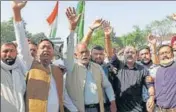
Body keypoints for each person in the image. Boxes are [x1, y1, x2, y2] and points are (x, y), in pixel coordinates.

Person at [12, 1, 78, 112]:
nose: (46, 50)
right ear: (37, 51)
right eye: (43, 47)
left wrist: (72, 29)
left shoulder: (57, 70)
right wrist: (16, 12)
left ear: (53, 52)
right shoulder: (30, 65)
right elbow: (22, 44)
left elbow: (63, 96)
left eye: (49, 47)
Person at [64, 7, 117, 112]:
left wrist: (113, 102)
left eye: (86, 52)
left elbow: (107, 86)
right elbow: (67, 52)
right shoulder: (71, 67)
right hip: (78, 109)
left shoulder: (97, 67)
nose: (84, 54)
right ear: (75, 55)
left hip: (98, 108)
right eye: (81, 53)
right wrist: (72, 29)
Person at [111, 46, 155, 112]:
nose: (129, 54)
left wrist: (151, 98)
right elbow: (110, 54)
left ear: (136, 55)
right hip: (119, 108)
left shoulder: (142, 69)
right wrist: (107, 37)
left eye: (132, 52)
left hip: (137, 108)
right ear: (123, 54)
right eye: (127, 52)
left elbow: (149, 85)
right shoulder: (118, 65)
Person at [1, 42, 27, 112]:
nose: (9, 54)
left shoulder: (19, 71)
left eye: (12, 51)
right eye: (5, 51)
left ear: (16, 53)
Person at [155, 45, 176, 112]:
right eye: (162, 53)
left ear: (172, 54)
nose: (164, 55)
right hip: (159, 109)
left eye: (167, 52)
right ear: (159, 56)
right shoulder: (156, 70)